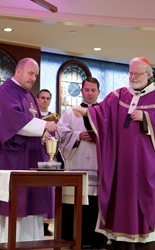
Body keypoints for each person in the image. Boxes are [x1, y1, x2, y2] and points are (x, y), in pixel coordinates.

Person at [74, 57, 155, 249]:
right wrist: (88, 114)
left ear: (148, 74)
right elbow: (101, 114)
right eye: (130, 73)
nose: (132, 77)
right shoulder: (119, 96)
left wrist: (146, 117)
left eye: (137, 73)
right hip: (122, 164)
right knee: (121, 200)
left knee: (143, 201)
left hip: (148, 165)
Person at [0, 57, 57, 242]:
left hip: (30, 158)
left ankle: (31, 242)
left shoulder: (28, 95)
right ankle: (8, 243)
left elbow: (33, 124)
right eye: (30, 73)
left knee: (31, 204)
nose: (33, 78)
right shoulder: (5, 92)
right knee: (15, 204)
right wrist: (44, 126)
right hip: (13, 158)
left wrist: (44, 135)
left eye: (36, 75)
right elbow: (14, 122)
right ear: (18, 71)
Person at [57, 77, 106, 249]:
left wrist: (98, 137)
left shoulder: (104, 113)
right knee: (75, 201)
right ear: (82, 91)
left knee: (95, 202)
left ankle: (96, 240)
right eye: (87, 90)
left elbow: (113, 136)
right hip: (76, 163)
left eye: (93, 90)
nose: (90, 93)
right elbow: (60, 132)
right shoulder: (71, 112)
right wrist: (78, 135)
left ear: (98, 92)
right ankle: (72, 239)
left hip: (98, 166)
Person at [36, 88, 55, 237]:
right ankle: (36, 223)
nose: (45, 101)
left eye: (48, 98)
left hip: (48, 156)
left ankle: (45, 224)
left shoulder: (53, 118)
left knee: (48, 190)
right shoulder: (33, 116)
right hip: (35, 156)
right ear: (37, 99)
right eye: (42, 98)